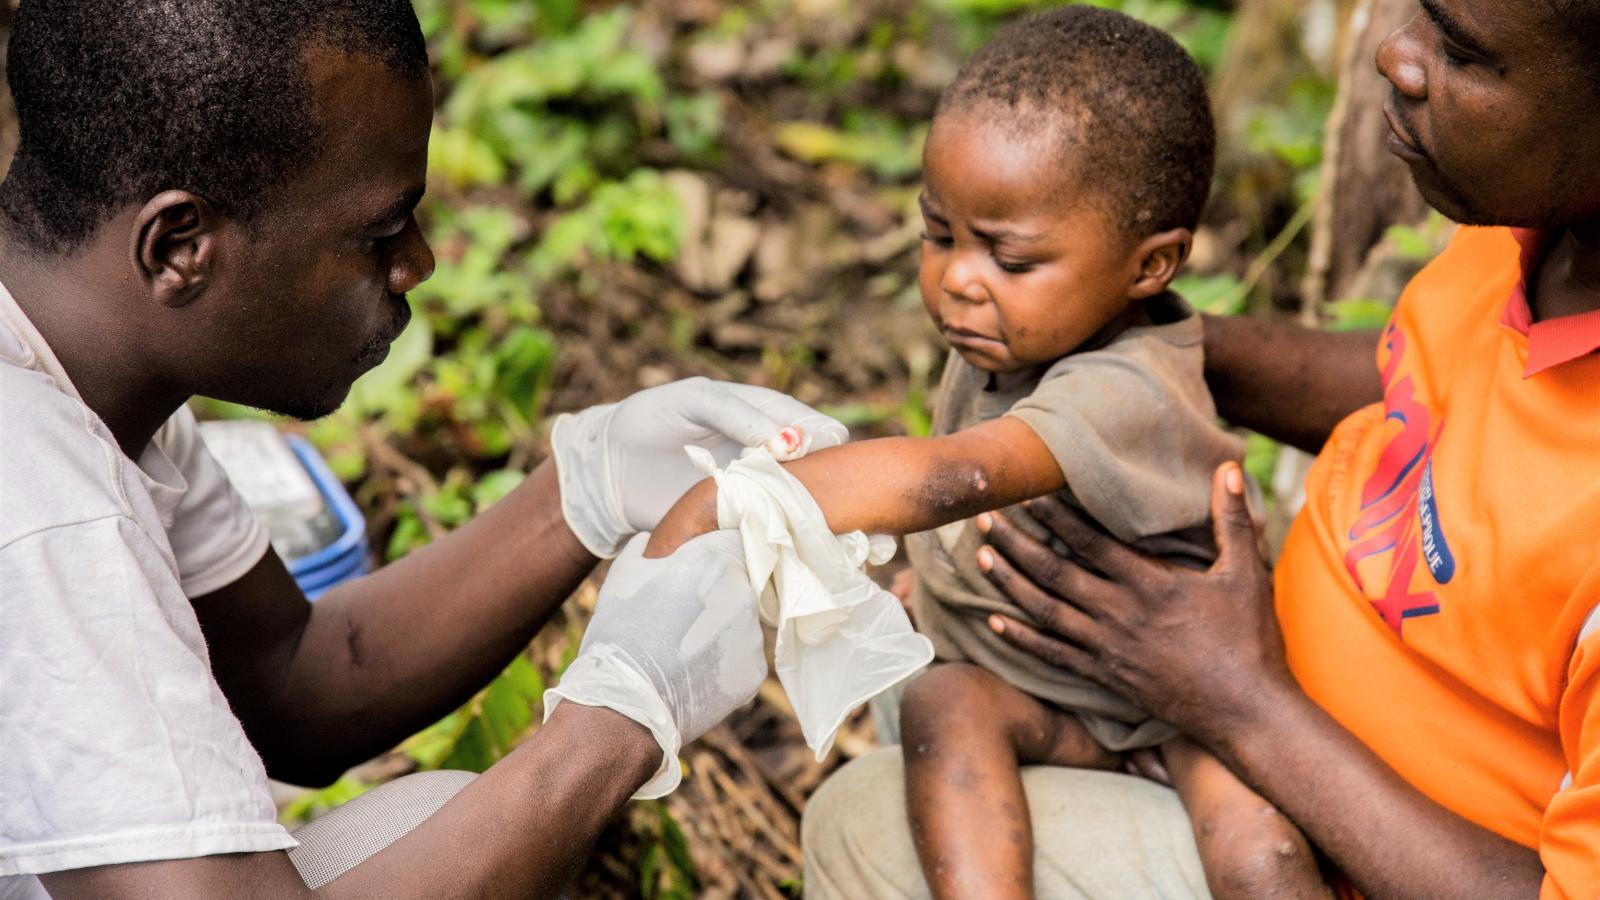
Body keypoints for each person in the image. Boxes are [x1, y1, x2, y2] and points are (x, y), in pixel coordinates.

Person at [0, 3, 845, 898]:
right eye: (377, 233)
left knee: (433, 823)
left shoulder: (91, 375)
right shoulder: (44, 502)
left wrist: (582, 489)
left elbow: (292, 685)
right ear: (181, 247)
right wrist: (619, 723)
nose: (418, 263)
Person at [803, 0, 1600, 897]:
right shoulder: (1543, 223)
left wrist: (1242, 702)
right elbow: (1430, 382)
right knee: (903, 672)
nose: (1395, 54)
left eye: (1461, 49)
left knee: (866, 822)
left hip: (1331, 811)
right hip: (1217, 689)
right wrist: (1127, 360)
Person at [646, 7, 1326, 898]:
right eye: (940, 235)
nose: (959, 278)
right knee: (944, 702)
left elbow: (955, 476)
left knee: (1259, 853)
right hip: (1051, 698)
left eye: (1008, 255)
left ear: (1150, 266)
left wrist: (734, 502)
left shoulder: (1124, 387)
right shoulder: (1013, 337)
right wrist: (940, 583)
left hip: (1175, 712)